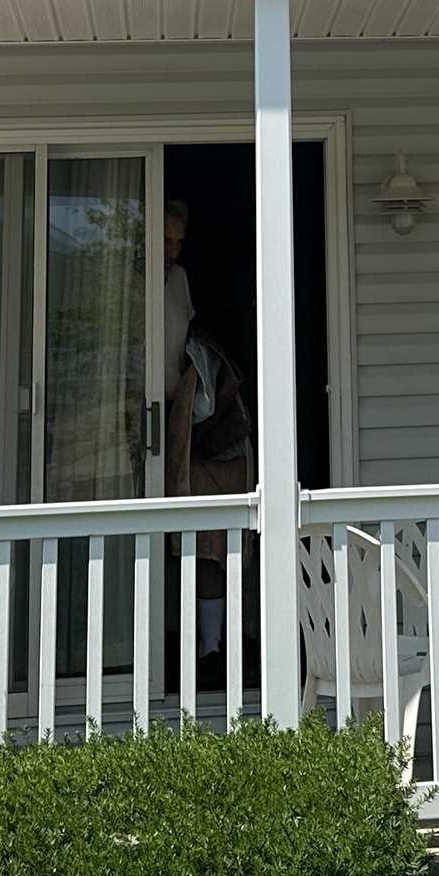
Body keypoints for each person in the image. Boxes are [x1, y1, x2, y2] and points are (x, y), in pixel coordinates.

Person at [162, 198, 253, 666]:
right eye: (164, 240)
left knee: (204, 545)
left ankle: (211, 647)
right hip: (144, 419)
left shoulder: (178, 281)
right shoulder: (125, 280)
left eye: (178, 241)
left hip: (181, 423)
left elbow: (184, 342)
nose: (172, 251)